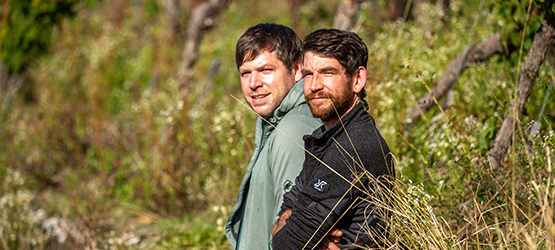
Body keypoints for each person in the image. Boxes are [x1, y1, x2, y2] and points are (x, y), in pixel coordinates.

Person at [272, 29, 395, 249]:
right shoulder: (329, 137)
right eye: (309, 74)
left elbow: (286, 244)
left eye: (327, 72)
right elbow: (285, 217)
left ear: (357, 79)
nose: (314, 86)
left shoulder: (354, 145)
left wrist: (293, 230)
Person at [225, 23, 322, 250]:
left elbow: (291, 234)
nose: (253, 84)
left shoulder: (293, 130)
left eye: (266, 70)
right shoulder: (278, 122)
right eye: (245, 73)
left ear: (297, 68)